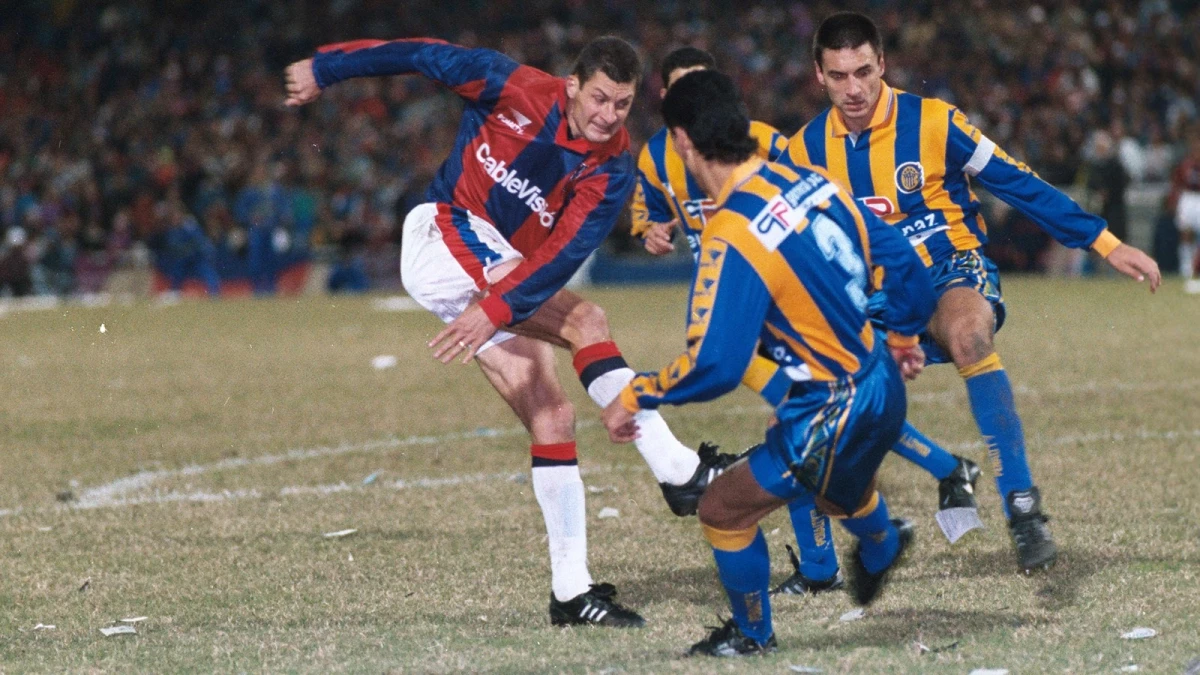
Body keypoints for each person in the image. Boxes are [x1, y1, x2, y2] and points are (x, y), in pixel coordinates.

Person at [284, 35, 735, 628]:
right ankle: (680, 472)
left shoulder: (611, 170)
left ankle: (571, 594)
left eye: (622, 104)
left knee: (553, 416)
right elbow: (419, 54)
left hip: (494, 277)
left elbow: (560, 258)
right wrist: (326, 68)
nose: (608, 115)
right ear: (573, 86)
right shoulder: (511, 86)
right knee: (586, 321)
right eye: (599, 98)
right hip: (445, 232)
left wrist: (495, 308)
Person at [784, 12, 1162, 572]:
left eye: (863, 71)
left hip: (948, 269)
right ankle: (822, 567)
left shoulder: (934, 122)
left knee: (968, 335)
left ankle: (1022, 507)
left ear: (882, 64)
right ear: (819, 75)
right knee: (821, 398)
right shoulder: (801, 152)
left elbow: (1015, 182)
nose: (854, 88)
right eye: (838, 76)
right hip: (873, 296)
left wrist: (1103, 242)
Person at [602, 69, 936, 656]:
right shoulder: (811, 180)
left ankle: (753, 635)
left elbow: (715, 366)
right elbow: (906, 264)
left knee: (721, 510)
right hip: (881, 380)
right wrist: (905, 337)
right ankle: (883, 542)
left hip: (829, 411)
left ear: (682, 141)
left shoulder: (731, 232)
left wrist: (635, 395)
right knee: (833, 488)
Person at [633, 46, 982, 594]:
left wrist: (637, 396)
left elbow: (717, 365)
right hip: (804, 335)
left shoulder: (750, 178)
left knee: (754, 476)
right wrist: (649, 230)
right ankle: (896, 521)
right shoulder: (671, 161)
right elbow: (647, 214)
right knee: (825, 448)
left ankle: (790, 599)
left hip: (797, 336)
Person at [1168, 128, 1200, 294]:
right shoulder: (1185, 164)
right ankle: (1186, 268)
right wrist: (1174, 201)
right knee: (1186, 234)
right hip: (1188, 198)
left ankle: (1196, 267)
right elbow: (1177, 183)